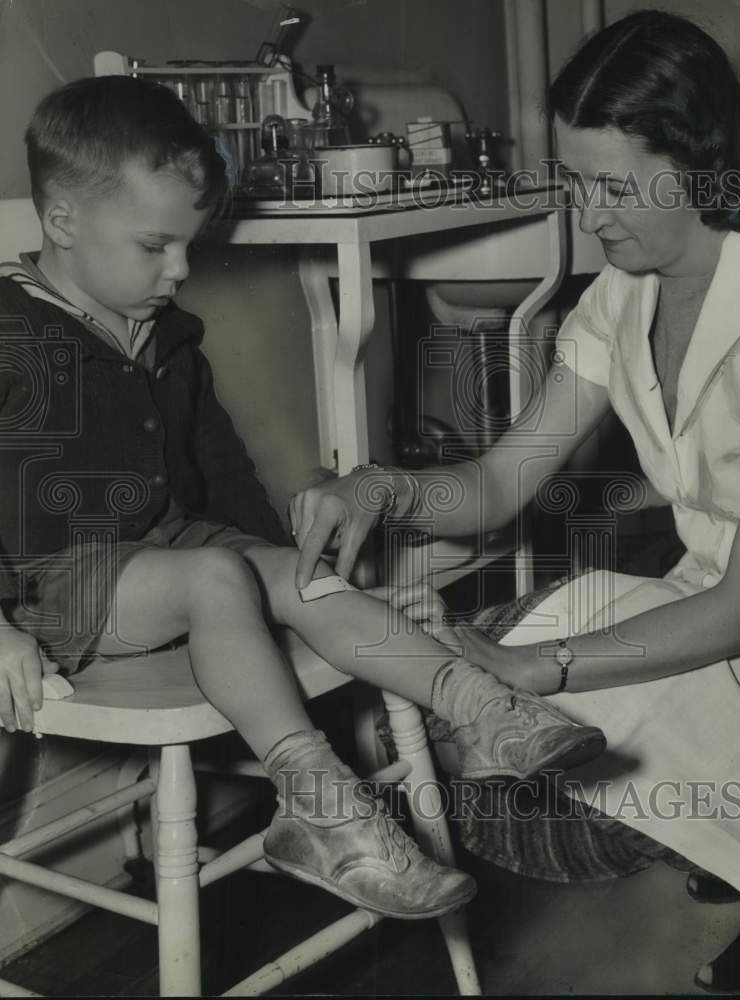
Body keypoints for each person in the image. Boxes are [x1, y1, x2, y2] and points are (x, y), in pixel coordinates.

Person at [0, 75, 608, 922]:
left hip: (164, 550)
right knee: (217, 576)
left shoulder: (164, 330)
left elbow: (217, 465)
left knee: (288, 572)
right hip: (43, 580)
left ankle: (479, 706)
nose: (179, 272)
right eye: (155, 246)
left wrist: (286, 575)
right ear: (61, 221)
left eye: (188, 246)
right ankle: (318, 804)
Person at [290, 10, 740, 991]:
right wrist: (381, 485)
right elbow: (495, 484)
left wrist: (538, 665)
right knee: (473, 716)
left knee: (525, 700)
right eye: (576, 181)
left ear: (700, 165)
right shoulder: (623, 294)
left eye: (613, 185)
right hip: (712, 605)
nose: (589, 213)